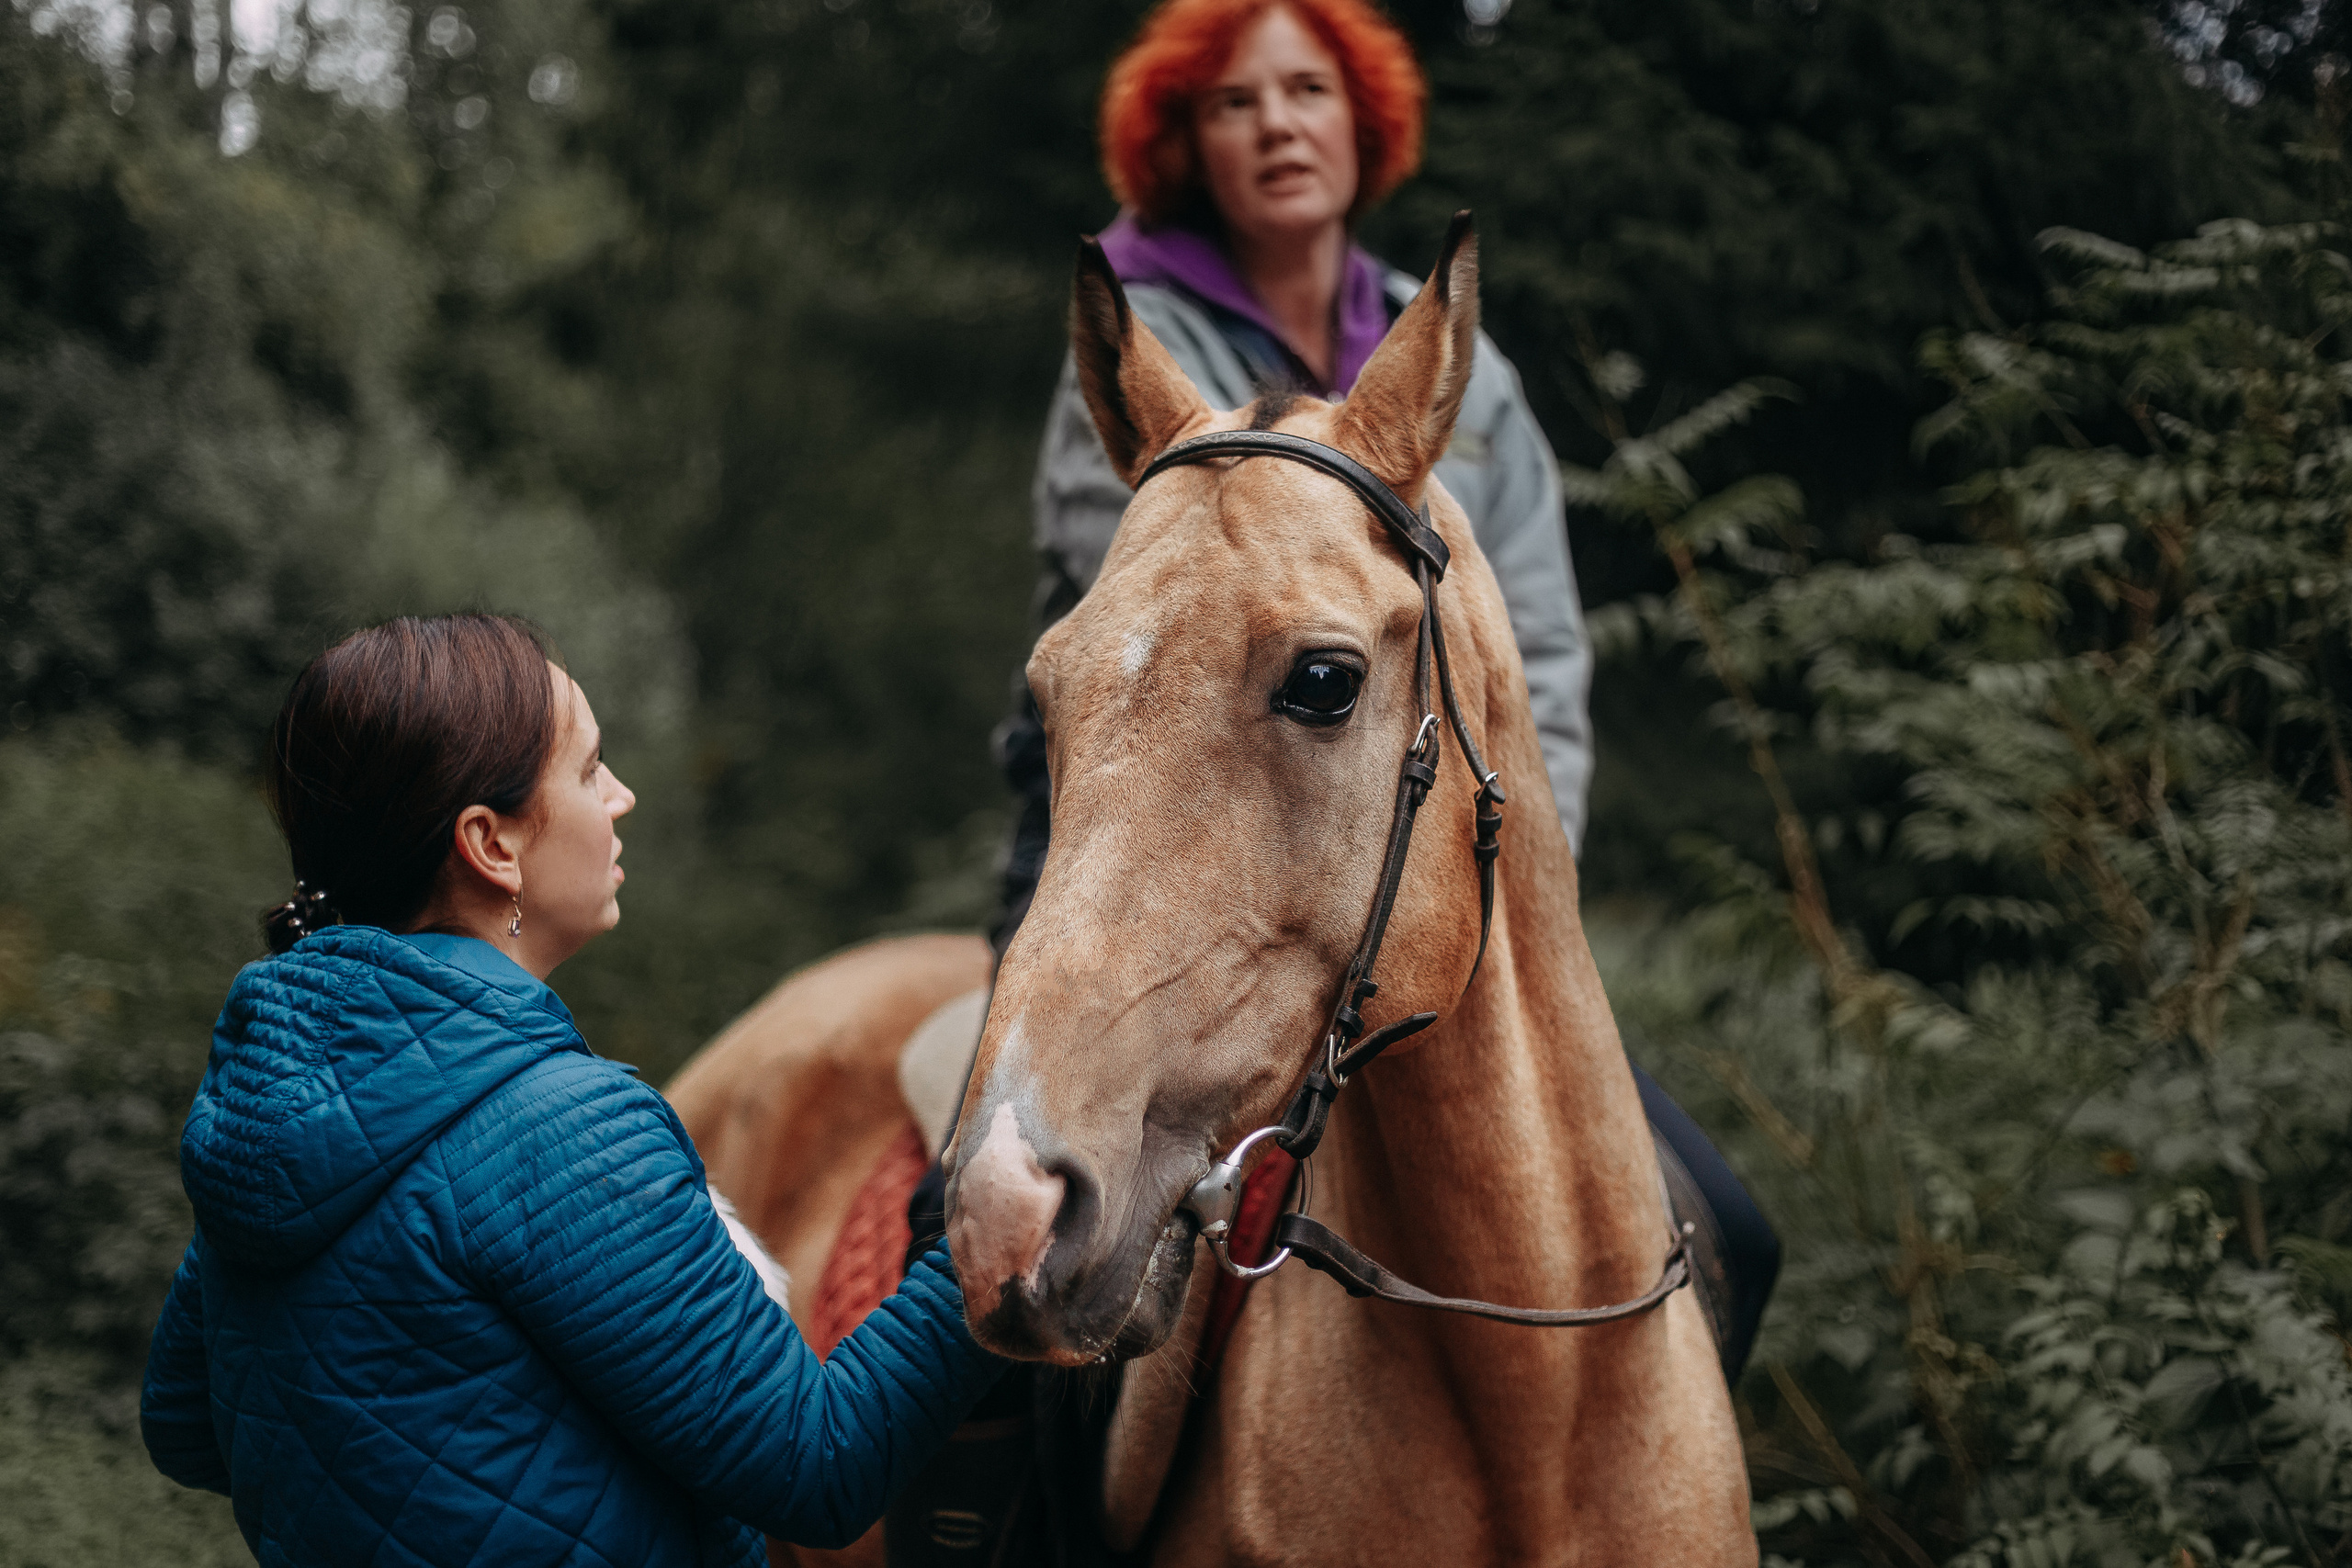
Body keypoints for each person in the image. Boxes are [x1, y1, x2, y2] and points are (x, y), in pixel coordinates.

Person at [985, 0, 1779, 1383]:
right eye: (1236, 102)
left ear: (1365, 119)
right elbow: (1144, 649)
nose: (1279, 123)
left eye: (1308, 90)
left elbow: (1537, 663)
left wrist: (1511, 900)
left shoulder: (1480, 385)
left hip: (1417, 874)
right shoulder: (1133, 344)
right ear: (1187, 140)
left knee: (1738, 1230)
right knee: (998, 1250)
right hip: (1139, 856)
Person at [141, 614, 1004, 1568]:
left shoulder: (276, 1098)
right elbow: (818, 1468)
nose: (621, 796)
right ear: (491, 845)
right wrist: (984, 1248)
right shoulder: (564, 1130)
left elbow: (183, 1423)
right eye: (590, 770)